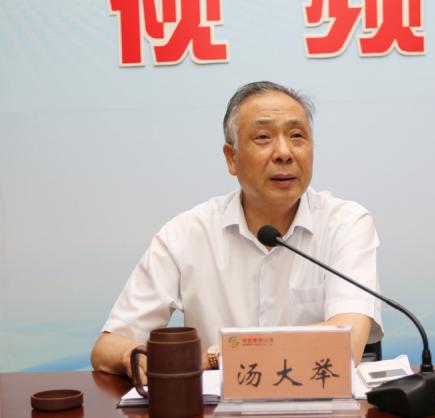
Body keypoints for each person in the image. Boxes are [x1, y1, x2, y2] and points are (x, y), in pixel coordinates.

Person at [91, 81, 383, 379]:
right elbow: (107, 347)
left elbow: (346, 344)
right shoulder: (186, 233)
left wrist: (214, 358)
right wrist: (135, 357)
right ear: (232, 158)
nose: (284, 153)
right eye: (263, 137)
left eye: (297, 136)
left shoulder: (346, 224)